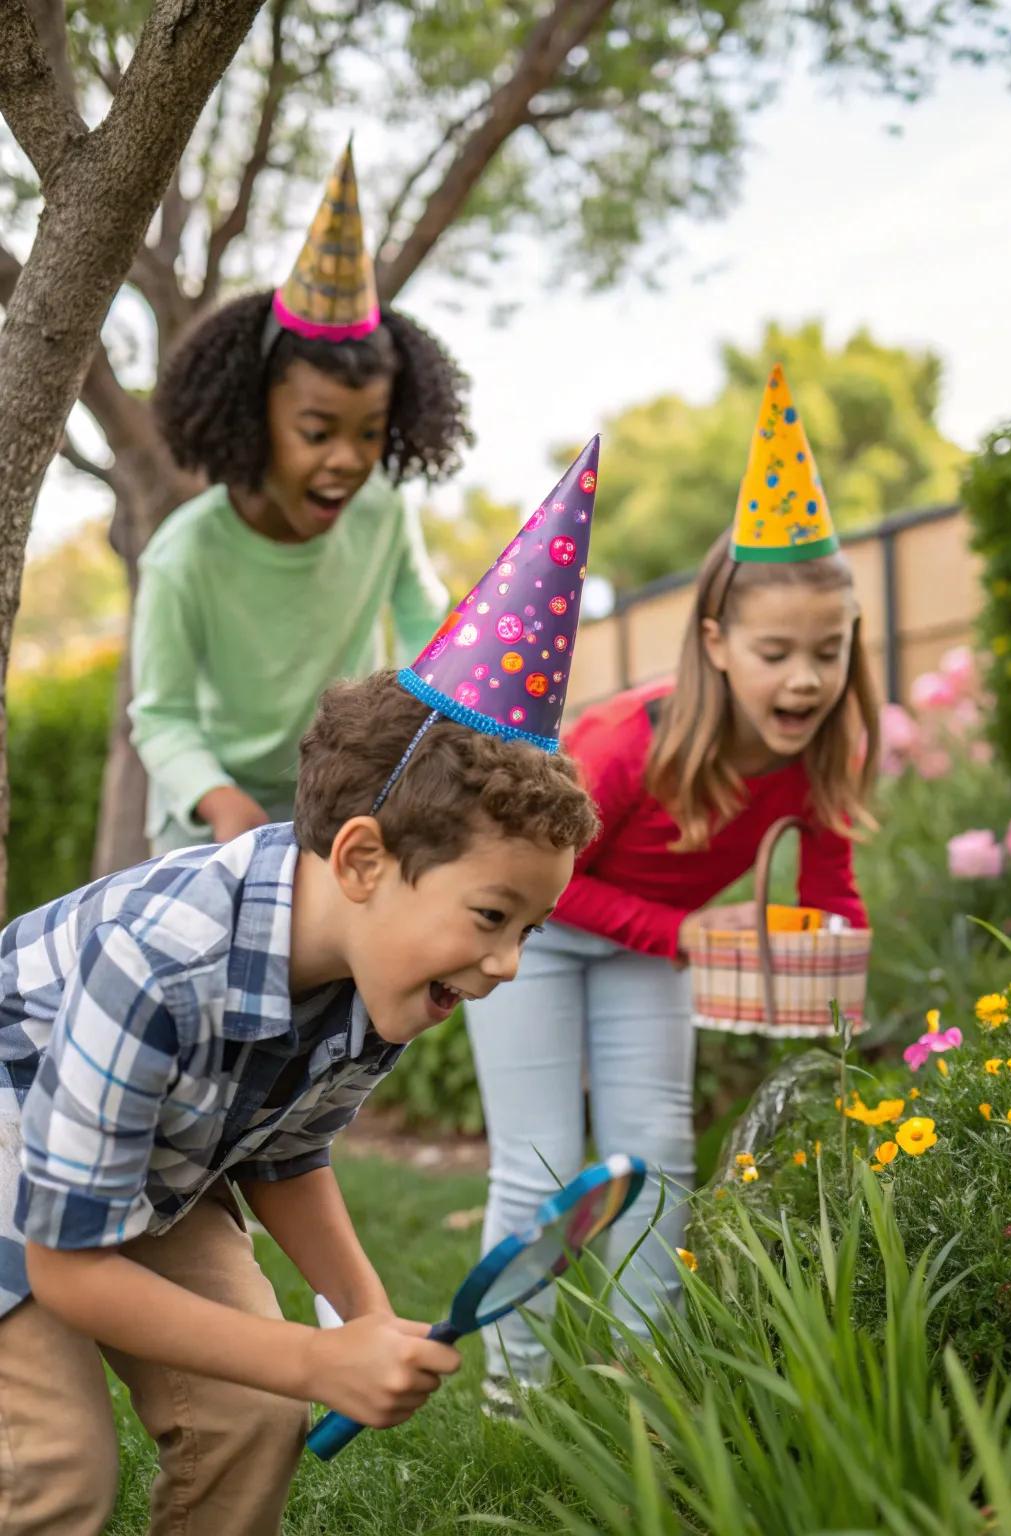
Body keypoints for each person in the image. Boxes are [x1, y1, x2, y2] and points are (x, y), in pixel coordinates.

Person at [0, 441, 602, 1536]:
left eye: (530, 929)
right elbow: (70, 1267)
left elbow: (285, 1149)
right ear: (364, 859)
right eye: (490, 917)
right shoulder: (160, 961)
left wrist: (364, 1316)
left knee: (253, 1416)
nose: (507, 962)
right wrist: (316, 1358)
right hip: (12, 1165)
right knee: (55, 1466)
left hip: (143, 1169)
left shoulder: (387, 969)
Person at [466, 365, 879, 1403]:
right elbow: (533, 885)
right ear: (716, 643)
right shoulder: (627, 744)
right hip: (531, 931)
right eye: (776, 652)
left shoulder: (824, 753)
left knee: (655, 1154)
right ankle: (515, 1392)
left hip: (648, 946)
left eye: (827, 652)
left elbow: (833, 891)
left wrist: (837, 988)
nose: (805, 679)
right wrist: (689, 936)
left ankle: (649, 1376)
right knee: (540, 1159)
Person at [131, 141, 470, 853]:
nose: (347, 460)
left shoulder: (383, 509)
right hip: (213, 817)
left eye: (369, 433)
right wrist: (220, 800)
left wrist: (429, 718)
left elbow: (424, 623)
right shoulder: (185, 554)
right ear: (257, 420)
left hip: (340, 793)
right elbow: (161, 717)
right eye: (317, 432)